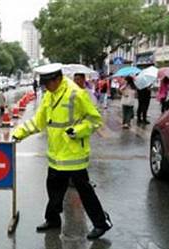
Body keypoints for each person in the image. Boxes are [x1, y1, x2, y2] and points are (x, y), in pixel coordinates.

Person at [12, 64, 112, 240]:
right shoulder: (50, 96)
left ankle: (101, 223)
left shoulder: (76, 93)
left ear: (57, 79)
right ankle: (52, 220)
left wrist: (78, 131)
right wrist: (18, 134)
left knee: (84, 190)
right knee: (53, 189)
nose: (45, 88)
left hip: (74, 154)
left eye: (47, 84)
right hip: (56, 154)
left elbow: (95, 120)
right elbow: (39, 121)